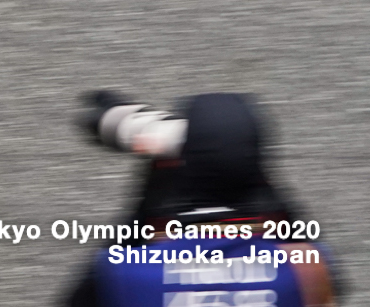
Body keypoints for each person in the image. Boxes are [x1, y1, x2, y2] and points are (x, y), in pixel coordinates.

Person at [63, 91, 342, 306]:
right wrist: (250, 169)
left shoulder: (124, 272)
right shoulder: (308, 271)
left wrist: (151, 191)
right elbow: (322, 270)